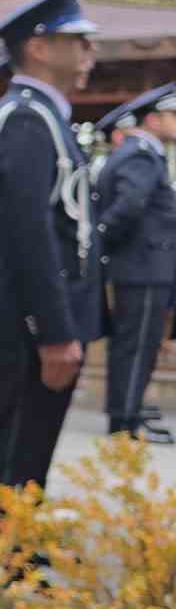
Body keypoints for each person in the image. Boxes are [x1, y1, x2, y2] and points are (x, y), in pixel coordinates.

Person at [0, 0, 100, 547]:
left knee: (32, 440)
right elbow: (31, 235)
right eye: (79, 40)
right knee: (20, 438)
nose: (91, 53)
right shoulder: (25, 120)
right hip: (28, 322)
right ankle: (2, 556)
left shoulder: (44, 118)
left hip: (37, 319)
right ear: (40, 49)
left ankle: (13, 552)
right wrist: (54, 330)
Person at [95, 84, 176, 444]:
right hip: (141, 265)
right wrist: (102, 243)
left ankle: (129, 411)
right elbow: (127, 207)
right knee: (136, 345)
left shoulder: (144, 153)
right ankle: (125, 423)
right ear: (154, 119)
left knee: (137, 345)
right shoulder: (141, 155)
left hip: (144, 264)